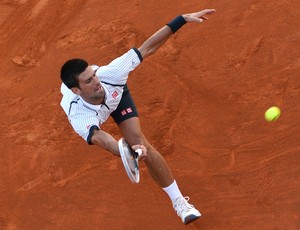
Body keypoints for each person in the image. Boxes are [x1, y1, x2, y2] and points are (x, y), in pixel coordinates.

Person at [60, 8, 216, 225]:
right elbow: (99, 138)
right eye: (88, 81)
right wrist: (127, 154)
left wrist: (181, 19)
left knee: (142, 143)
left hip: (117, 95)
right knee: (132, 148)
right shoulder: (78, 114)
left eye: (93, 74)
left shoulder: (110, 75)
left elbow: (148, 47)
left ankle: (180, 203)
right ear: (76, 90)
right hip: (94, 111)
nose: (95, 81)